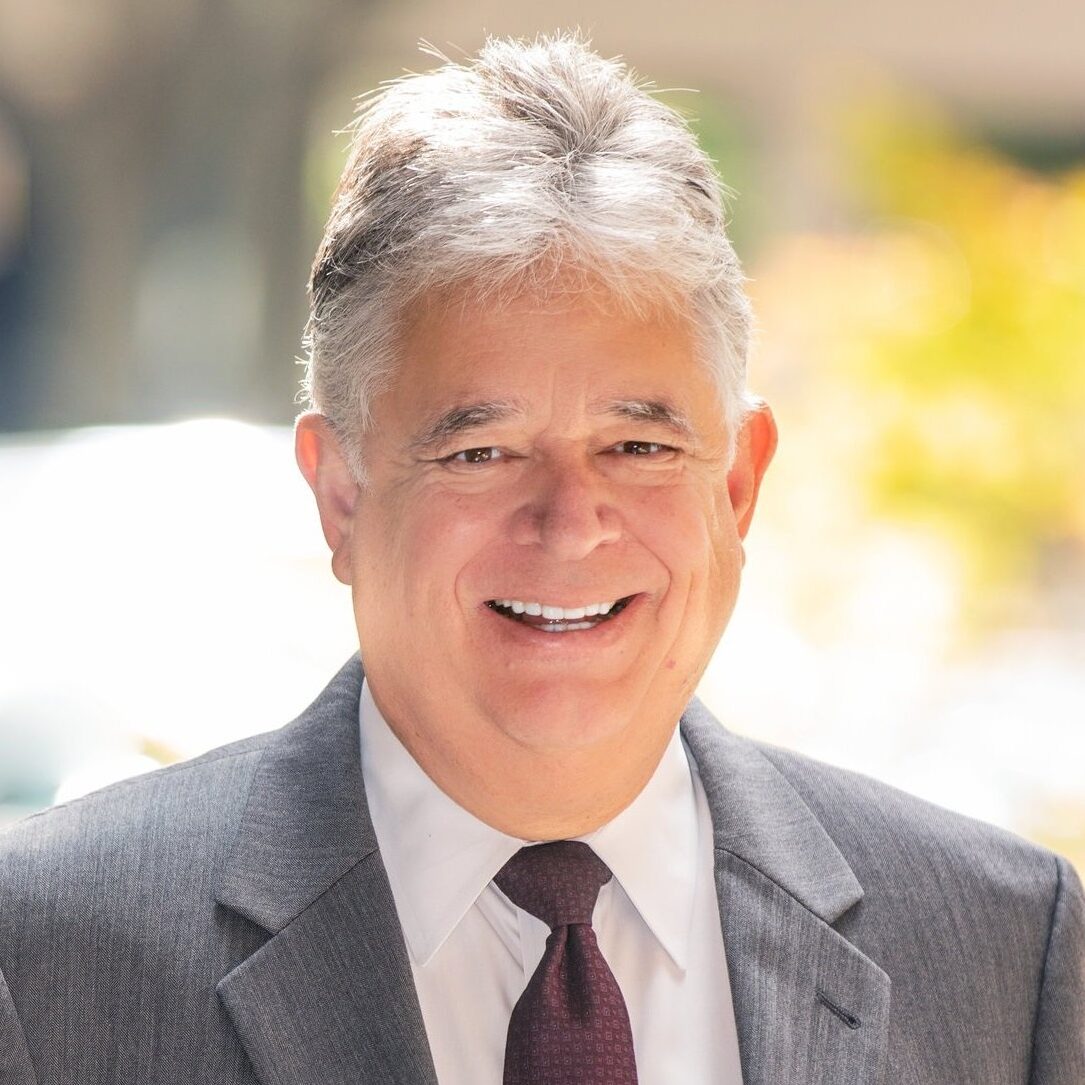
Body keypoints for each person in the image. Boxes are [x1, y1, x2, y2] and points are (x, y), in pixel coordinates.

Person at [0, 32, 1082, 1085]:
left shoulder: (1000, 947)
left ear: (737, 484)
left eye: (638, 445)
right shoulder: (48, 954)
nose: (570, 522)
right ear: (340, 494)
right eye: (480, 450)